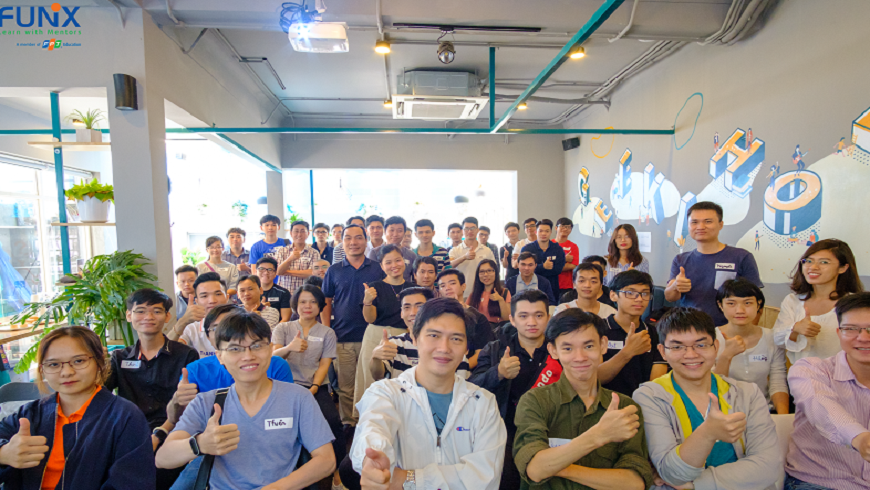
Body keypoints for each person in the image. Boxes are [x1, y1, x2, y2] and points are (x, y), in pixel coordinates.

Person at [156, 312, 336, 490]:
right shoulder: (206, 402)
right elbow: (163, 458)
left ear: (270, 349)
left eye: (257, 346)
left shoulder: (298, 398)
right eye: (235, 349)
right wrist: (200, 444)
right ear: (220, 356)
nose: (248, 356)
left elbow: (326, 460)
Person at [346, 298, 508, 490]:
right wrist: (372, 460)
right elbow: (373, 429)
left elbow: (485, 477)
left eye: (456, 339)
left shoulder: (483, 403)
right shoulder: (385, 393)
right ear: (414, 339)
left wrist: (406, 479)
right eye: (434, 335)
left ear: (466, 348)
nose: (444, 348)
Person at [633, 307, 782, 490]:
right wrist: (708, 432)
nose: (691, 354)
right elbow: (672, 473)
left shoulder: (747, 393)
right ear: (662, 352)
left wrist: (695, 485)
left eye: (701, 345)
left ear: (716, 347)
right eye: (677, 347)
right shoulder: (650, 396)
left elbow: (768, 467)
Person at [513, 309, 654, 490]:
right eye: (568, 348)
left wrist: (559, 467)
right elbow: (535, 470)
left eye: (588, 346)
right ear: (553, 351)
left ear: (603, 345)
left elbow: (634, 483)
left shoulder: (625, 407)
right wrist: (599, 435)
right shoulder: (535, 401)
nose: (580, 357)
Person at [0, 326, 155, 489]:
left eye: (79, 361)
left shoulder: (125, 417)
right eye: (54, 364)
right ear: (42, 369)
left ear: (99, 362)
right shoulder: (29, 414)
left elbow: (132, 484)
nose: (66, 372)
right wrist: (4, 453)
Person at [106, 289, 199, 489]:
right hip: (129, 435)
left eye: (156, 311)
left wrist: (160, 434)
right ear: (129, 315)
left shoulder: (186, 355)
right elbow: (100, 396)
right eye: (140, 311)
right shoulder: (119, 358)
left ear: (167, 317)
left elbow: (191, 407)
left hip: (174, 433)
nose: (148, 317)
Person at [468, 290, 554, 490]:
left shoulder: (561, 349)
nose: (531, 322)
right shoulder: (495, 349)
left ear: (548, 318)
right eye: (523, 316)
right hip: (505, 432)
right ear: (512, 319)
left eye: (538, 315)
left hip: (551, 430)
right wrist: (498, 373)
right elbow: (472, 389)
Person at [784, 293, 870, 490]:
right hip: (820, 482)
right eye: (851, 329)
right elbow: (822, 408)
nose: (864, 338)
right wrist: (860, 438)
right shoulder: (810, 369)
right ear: (839, 333)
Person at [272, 284, 345, 490]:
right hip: (284, 386)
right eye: (303, 301)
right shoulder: (283, 328)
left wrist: (313, 387)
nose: (307, 306)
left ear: (320, 306)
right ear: (295, 305)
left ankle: (338, 470)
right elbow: (273, 358)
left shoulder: (327, 332)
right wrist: (289, 348)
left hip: (314, 386)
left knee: (333, 421)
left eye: (313, 302)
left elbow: (324, 364)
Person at [322, 224, 386, 428]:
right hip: (343, 336)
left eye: (358, 237)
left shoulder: (377, 268)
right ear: (342, 242)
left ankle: (370, 423)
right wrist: (328, 330)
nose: (353, 242)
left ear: (366, 241)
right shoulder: (334, 270)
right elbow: (326, 301)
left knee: (372, 384)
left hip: (372, 337)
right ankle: (349, 423)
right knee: (345, 387)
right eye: (348, 238)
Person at [665, 201, 763, 325]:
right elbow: (670, 297)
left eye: (708, 221)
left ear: (720, 224)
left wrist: (747, 332)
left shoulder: (742, 257)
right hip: (690, 328)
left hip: (729, 329)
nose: (700, 227)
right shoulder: (680, 259)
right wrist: (675, 286)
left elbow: (756, 301)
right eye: (694, 222)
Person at [773, 239, 863, 363]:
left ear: (842, 268)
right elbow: (777, 340)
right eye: (808, 261)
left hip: (844, 373)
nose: (813, 267)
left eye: (824, 262)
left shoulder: (855, 304)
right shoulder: (792, 301)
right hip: (801, 373)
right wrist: (795, 329)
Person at [714, 279, 789, 414]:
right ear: (720, 305)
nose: (740, 310)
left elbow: (777, 383)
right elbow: (710, 386)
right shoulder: (710, 339)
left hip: (763, 411)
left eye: (748, 303)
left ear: (758, 304)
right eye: (731, 303)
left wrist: (783, 418)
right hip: (723, 412)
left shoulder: (772, 337)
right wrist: (726, 355)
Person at [369, 287, 470, 381]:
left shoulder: (449, 348)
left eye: (419, 306)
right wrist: (376, 358)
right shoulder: (394, 344)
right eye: (407, 307)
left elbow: (461, 386)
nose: (413, 313)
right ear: (401, 313)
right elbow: (378, 376)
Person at [595, 270, 668, 397]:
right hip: (605, 402)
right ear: (613, 295)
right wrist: (628, 352)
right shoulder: (598, 329)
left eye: (644, 293)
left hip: (643, 402)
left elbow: (656, 383)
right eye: (630, 293)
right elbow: (595, 378)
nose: (639, 299)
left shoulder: (655, 333)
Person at [436, 269, 495, 369]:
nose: (447, 288)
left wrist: (459, 369)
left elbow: (481, 352)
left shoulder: (478, 318)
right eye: (443, 285)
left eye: (452, 283)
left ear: (463, 286)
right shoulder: (434, 315)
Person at [168, 271, 228, 358]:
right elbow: (165, 351)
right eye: (204, 296)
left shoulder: (241, 323)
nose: (212, 301)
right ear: (197, 301)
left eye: (218, 294)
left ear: (227, 297)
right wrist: (183, 321)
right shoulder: (192, 328)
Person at [363, 244, 414, 330]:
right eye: (388, 262)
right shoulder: (374, 287)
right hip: (379, 335)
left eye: (398, 260)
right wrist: (367, 302)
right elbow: (370, 319)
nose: (394, 265)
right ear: (382, 266)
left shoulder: (413, 289)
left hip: (407, 335)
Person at [448, 217, 495, 298]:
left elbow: (494, 270)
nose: (469, 231)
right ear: (462, 231)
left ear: (477, 230)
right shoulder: (455, 250)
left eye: (472, 228)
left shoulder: (486, 250)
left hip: (482, 294)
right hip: (461, 294)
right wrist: (464, 257)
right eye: (466, 228)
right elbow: (449, 266)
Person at [553, 263, 618, 319]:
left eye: (593, 281)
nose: (587, 285)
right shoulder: (562, 311)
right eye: (581, 281)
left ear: (601, 285)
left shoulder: (611, 313)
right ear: (574, 284)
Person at [521, 219, 566, 298]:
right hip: (531, 288)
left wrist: (536, 269)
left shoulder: (557, 249)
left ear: (551, 232)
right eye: (541, 231)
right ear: (536, 232)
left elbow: (558, 269)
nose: (543, 233)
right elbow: (524, 268)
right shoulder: (527, 249)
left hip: (552, 288)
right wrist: (543, 266)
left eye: (547, 231)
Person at [274, 220, 320, 296]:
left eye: (302, 231)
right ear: (291, 233)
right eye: (296, 231)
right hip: (284, 294)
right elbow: (278, 272)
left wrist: (287, 272)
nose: (299, 234)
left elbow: (312, 273)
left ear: (308, 234)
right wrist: (290, 259)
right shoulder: (281, 251)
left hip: (306, 294)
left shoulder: (314, 252)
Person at [367, 216, 417, 283]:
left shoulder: (411, 255)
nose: (395, 234)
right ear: (385, 231)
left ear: (404, 233)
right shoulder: (374, 253)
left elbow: (415, 279)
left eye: (400, 231)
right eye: (391, 230)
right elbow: (370, 277)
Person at [467, 259, 511, 324]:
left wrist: (501, 300)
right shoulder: (473, 295)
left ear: (496, 273)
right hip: (478, 329)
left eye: (489, 271)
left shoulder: (504, 292)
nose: (485, 274)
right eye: (482, 271)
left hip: (497, 329)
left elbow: (507, 318)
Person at [256, 257, 292, 322]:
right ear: (256, 271)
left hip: (277, 327)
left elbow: (285, 319)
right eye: (261, 269)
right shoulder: (250, 291)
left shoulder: (283, 293)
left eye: (270, 269)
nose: (266, 272)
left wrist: (273, 329)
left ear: (275, 274)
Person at [555, 218, 579, 300]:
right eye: (562, 226)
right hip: (550, 284)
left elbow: (572, 266)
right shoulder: (549, 244)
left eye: (568, 227)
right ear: (556, 228)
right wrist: (564, 259)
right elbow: (546, 265)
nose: (565, 229)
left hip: (566, 286)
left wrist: (554, 265)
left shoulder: (573, 246)